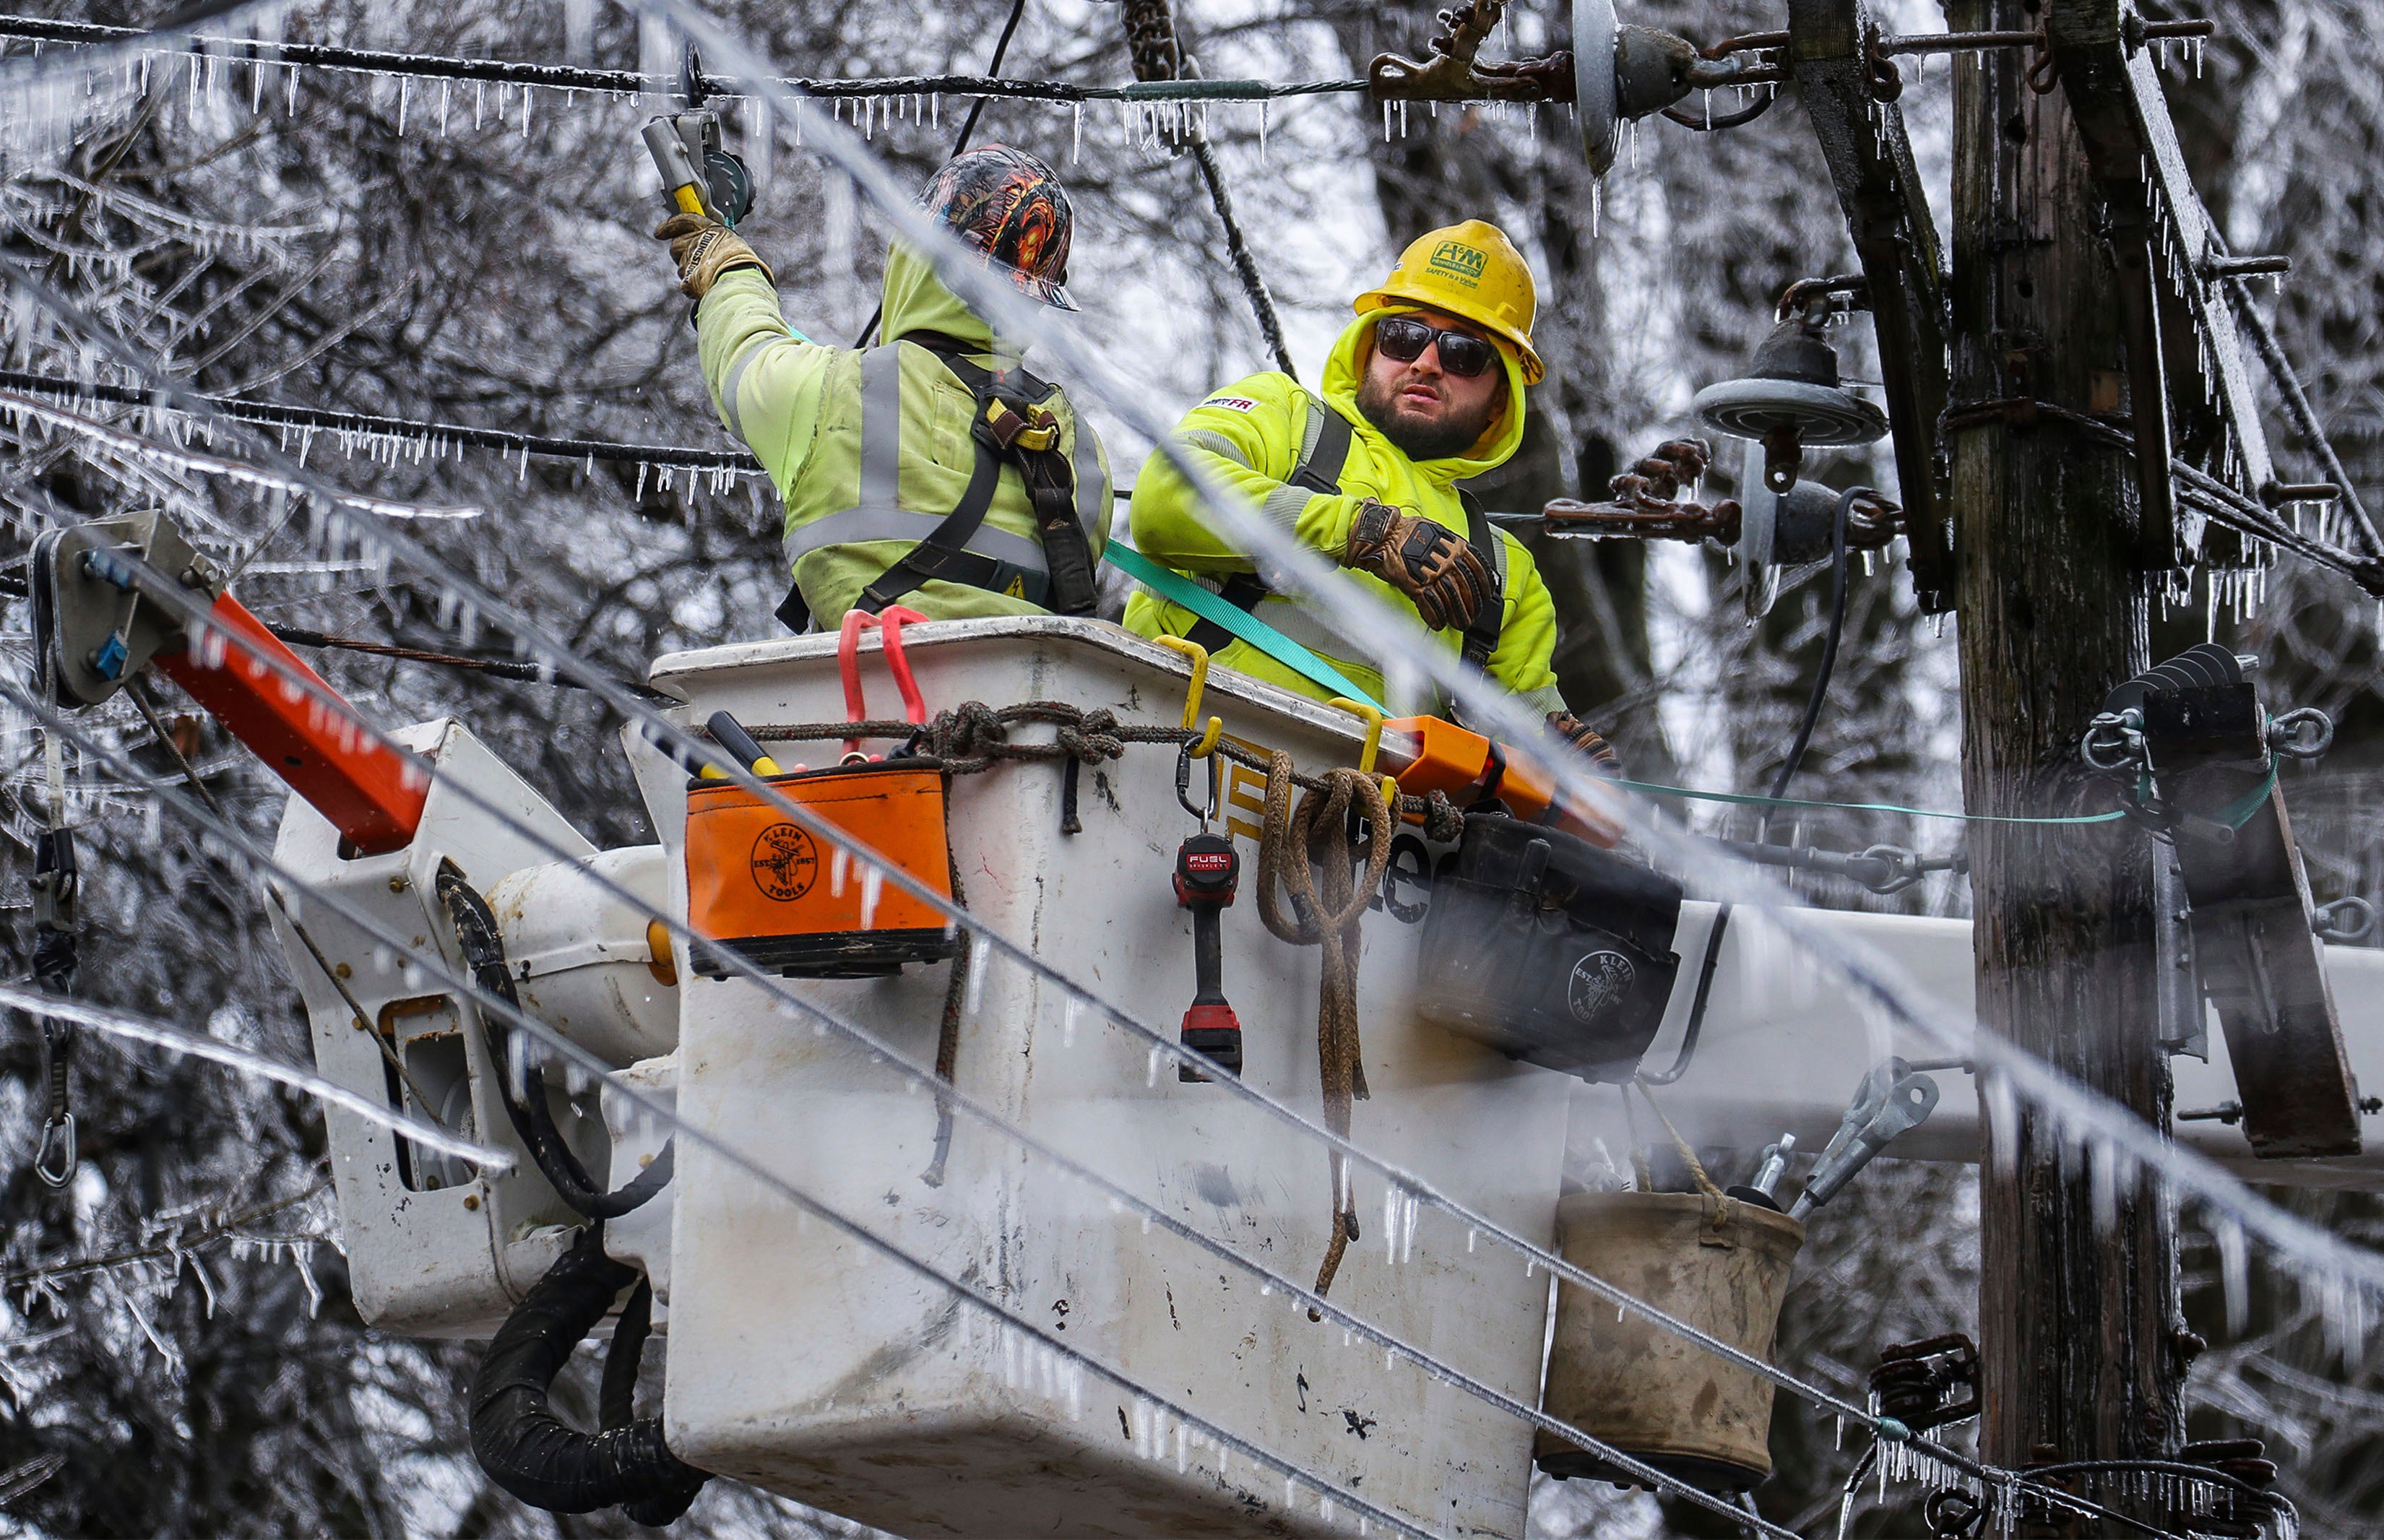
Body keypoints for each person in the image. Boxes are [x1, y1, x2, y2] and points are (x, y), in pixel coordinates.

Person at [1123, 219, 1617, 764]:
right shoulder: (1285, 418)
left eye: (1463, 352)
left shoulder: (1504, 570)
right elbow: (1163, 499)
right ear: (1370, 347)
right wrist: (1361, 531)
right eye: (1403, 336)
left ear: (1501, 396)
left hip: (1359, 830)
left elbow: (1525, 741)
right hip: (1176, 764)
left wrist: (1571, 767)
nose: (1425, 362)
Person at [655, 145, 1111, 633]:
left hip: (875, 688)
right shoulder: (1078, 447)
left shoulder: (834, 394)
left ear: (913, 254)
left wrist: (724, 264)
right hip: (1035, 696)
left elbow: (743, 351)